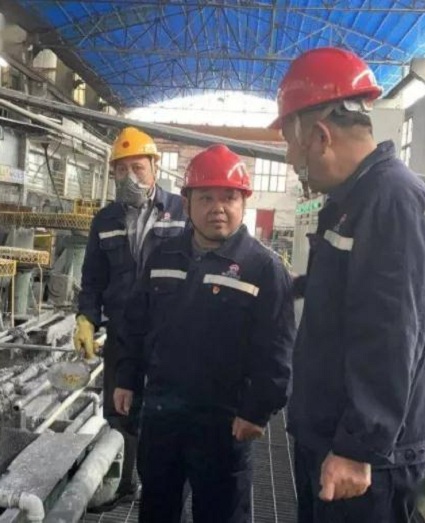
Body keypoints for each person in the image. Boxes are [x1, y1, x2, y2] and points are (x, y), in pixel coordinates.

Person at [270, 47, 425, 523]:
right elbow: (357, 294)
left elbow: (390, 333)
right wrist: (299, 285)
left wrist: (357, 448)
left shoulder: (391, 202)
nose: (291, 159)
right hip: (334, 439)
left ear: (320, 136)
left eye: (290, 144)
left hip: (365, 464)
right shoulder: (356, 200)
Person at [113, 144, 295, 523]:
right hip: (162, 415)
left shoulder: (262, 268)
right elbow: (135, 323)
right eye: (206, 197)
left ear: (244, 202)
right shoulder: (163, 256)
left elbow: (277, 352)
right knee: (157, 509)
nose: (218, 208)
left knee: (219, 513)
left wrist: (256, 412)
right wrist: (126, 378)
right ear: (187, 202)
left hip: (225, 423)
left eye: (229, 197)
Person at [75, 126, 187, 510]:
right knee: (121, 412)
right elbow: (93, 280)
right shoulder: (105, 220)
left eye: (137, 168)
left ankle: (163, 490)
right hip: (123, 334)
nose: (129, 178)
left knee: (166, 413)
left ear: (155, 166)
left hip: (169, 336)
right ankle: (124, 484)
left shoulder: (183, 212)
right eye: (121, 170)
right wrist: (86, 318)